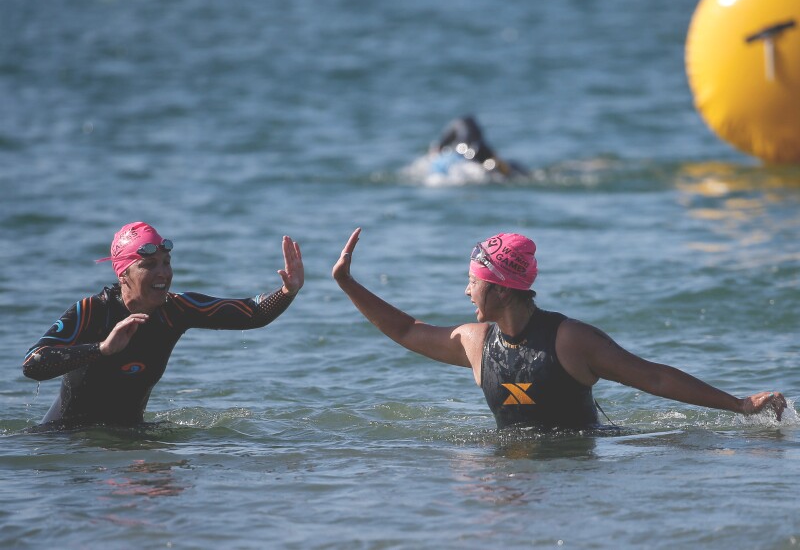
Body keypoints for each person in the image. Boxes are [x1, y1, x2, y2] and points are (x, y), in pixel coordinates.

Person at [332, 228, 786, 431]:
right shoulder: (475, 343)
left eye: (474, 281)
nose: (466, 291)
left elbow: (653, 377)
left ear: (504, 290)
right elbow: (408, 331)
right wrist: (348, 284)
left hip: (573, 474)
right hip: (510, 471)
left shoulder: (570, 340)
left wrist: (739, 405)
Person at [23, 221, 304, 428]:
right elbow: (33, 363)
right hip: (67, 443)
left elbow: (252, 313)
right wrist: (101, 349)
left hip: (130, 437)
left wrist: (287, 291)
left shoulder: (175, 309)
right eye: (149, 265)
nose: (163, 273)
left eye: (166, 262)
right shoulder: (92, 311)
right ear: (123, 274)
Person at [428, 115, 526, 178]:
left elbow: (442, 144)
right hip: (477, 149)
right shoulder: (466, 127)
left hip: (469, 151)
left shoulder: (457, 128)